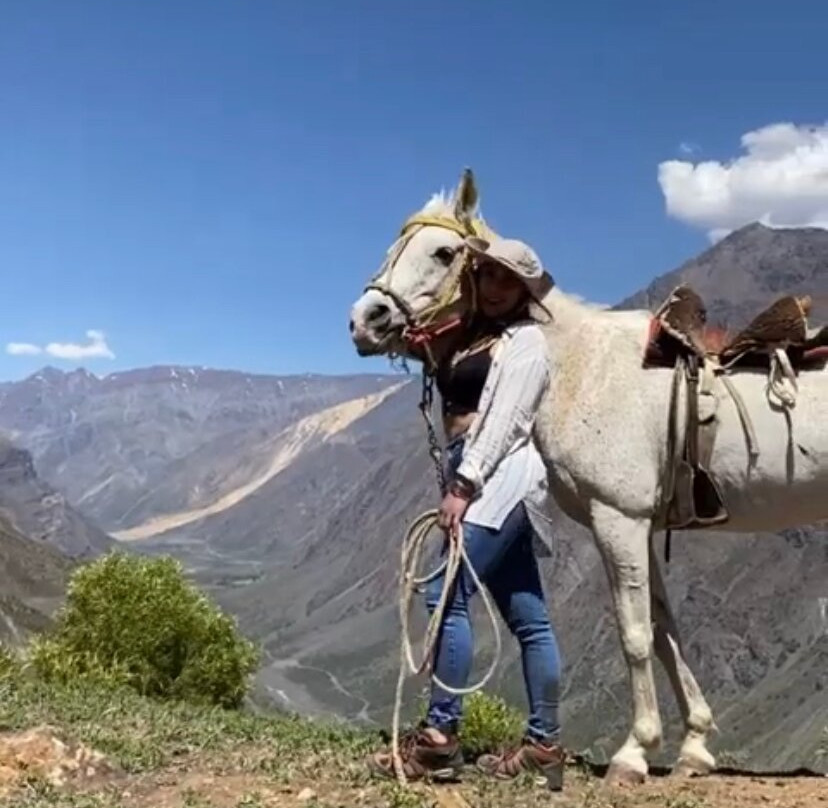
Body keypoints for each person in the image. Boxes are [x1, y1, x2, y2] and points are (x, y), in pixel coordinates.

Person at [368, 235, 565, 789]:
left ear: (525, 291)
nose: (496, 288)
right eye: (488, 275)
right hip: (486, 477)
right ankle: (544, 746)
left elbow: (505, 420)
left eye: (509, 280)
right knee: (529, 618)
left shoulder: (526, 345)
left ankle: (439, 741)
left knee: (445, 596)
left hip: (498, 476)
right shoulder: (477, 337)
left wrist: (464, 483)